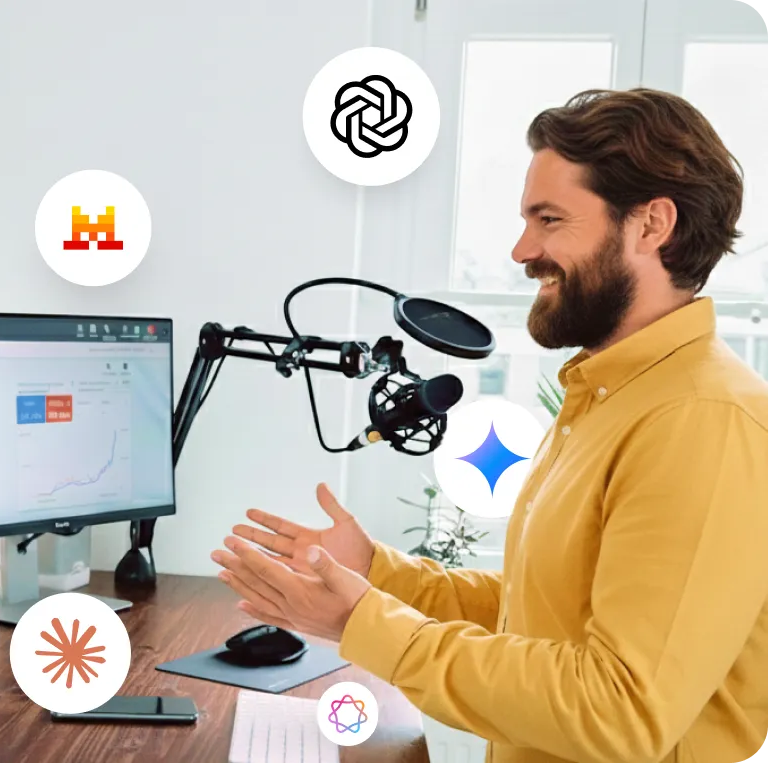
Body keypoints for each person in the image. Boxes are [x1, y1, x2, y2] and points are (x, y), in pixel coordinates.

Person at [212, 88, 768, 763]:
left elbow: (620, 708)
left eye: (550, 219)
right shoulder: (611, 394)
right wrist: (376, 573)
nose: (521, 248)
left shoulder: (702, 420)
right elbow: (542, 611)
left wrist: (361, 621)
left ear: (651, 225)